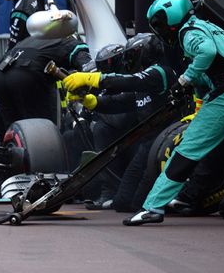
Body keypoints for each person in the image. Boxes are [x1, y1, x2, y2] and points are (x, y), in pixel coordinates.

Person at [68, 0, 224, 226]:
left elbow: (207, 54)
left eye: (160, 24)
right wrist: (198, 97)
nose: (160, 31)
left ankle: (152, 207)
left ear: (171, 16)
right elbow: (215, 67)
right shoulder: (211, 27)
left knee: (185, 152)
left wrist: (185, 80)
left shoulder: (188, 32)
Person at [64, 36, 176, 210]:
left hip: (165, 143)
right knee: (123, 203)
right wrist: (91, 102)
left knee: (140, 203)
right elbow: (120, 102)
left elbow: (129, 82)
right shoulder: (141, 84)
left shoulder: (161, 72)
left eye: (131, 56)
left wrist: (93, 79)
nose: (128, 60)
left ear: (144, 53)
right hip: (147, 145)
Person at [0, 34, 91, 129]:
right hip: (26, 74)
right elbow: (88, 67)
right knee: (44, 130)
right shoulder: (70, 42)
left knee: (13, 131)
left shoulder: (33, 38)